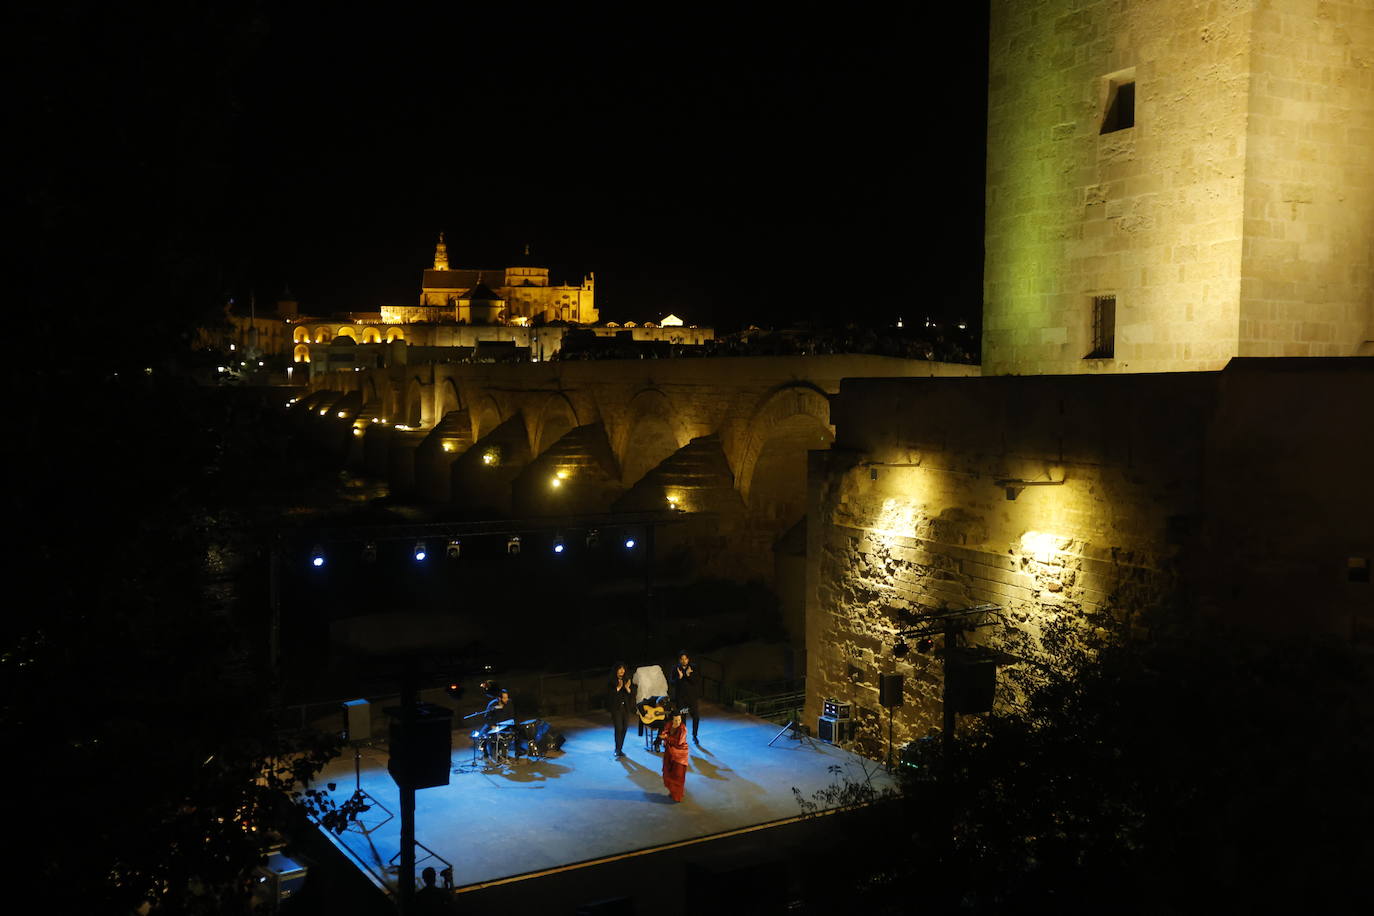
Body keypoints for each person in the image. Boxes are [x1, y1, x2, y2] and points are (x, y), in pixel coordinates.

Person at [669, 650, 701, 741]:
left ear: (688, 659)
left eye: (685, 659)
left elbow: (696, 681)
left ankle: (695, 735)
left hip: (692, 699)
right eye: (682, 659)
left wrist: (687, 675)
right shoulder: (675, 669)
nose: (684, 661)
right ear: (679, 660)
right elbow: (672, 683)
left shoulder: (693, 667)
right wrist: (679, 678)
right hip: (681, 699)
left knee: (696, 717)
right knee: (682, 719)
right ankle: (683, 737)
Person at [659, 711, 690, 802]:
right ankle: (673, 792)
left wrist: (666, 737)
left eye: (679, 720)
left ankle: (677, 796)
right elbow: (665, 731)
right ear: (672, 720)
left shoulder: (683, 729)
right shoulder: (669, 725)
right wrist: (664, 734)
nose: (678, 722)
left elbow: (678, 742)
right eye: (675, 720)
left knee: (678, 776)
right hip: (670, 752)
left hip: (680, 754)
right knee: (668, 772)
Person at [607, 662, 635, 758]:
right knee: (618, 728)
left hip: (625, 708)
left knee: (624, 728)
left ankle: (620, 749)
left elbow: (631, 695)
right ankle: (617, 749)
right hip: (616, 709)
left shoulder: (627, 680)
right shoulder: (611, 681)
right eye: (620, 669)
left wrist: (627, 689)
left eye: (623, 668)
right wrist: (618, 688)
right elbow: (609, 697)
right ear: (616, 670)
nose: (622, 670)